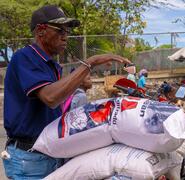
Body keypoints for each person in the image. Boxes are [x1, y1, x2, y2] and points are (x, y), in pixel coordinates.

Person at [2, 5, 130, 179]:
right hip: (30, 158)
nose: (66, 36)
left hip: (51, 153)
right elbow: (51, 97)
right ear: (41, 30)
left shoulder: (51, 65)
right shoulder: (25, 57)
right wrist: (90, 62)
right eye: (60, 30)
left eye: (67, 31)